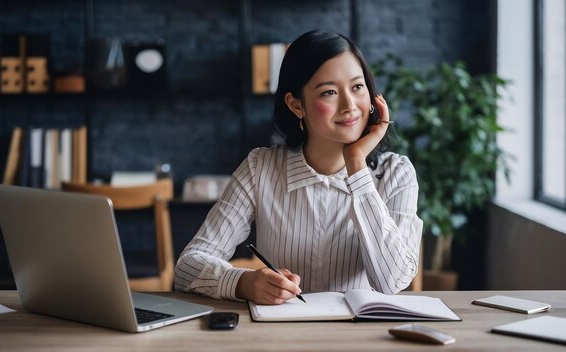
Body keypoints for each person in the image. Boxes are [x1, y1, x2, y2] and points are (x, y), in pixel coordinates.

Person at [174, 30, 423, 305]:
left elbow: (392, 282)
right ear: (296, 105)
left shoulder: (396, 173)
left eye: (357, 87)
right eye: (329, 92)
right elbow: (187, 267)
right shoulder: (260, 168)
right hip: (280, 337)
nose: (350, 106)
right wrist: (244, 282)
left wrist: (356, 165)